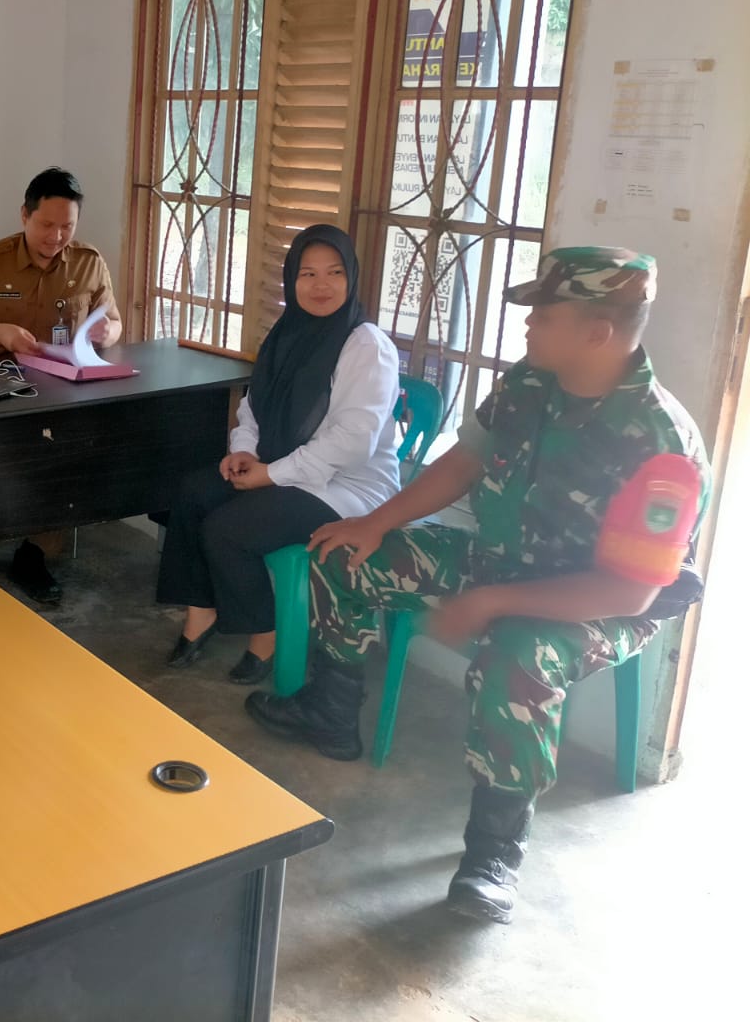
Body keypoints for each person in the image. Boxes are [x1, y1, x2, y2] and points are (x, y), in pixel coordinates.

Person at [245, 247, 708, 924]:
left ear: (597, 332)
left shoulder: (662, 444)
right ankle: (330, 714)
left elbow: (629, 596)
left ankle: (495, 853)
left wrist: (493, 601)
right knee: (341, 554)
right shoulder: (530, 382)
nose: (527, 325)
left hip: (592, 601)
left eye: (544, 315)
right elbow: (465, 461)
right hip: (499, 558)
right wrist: (374, 523)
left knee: (516, 660)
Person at [156, 224, 401, 683]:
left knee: (229, 529)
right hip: (283, 465)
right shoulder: (287, 333)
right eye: (308, 274)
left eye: (334, 273)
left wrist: (271, 474)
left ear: (351, 278)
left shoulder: (367, 345)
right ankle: (201, 612)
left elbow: (353, 442)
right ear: (292, 280)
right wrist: (245, 452)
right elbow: (255, 406)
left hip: (347, 487)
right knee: (193, 492)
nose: (321, 285)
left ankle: (264, 636)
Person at [0, 167, 123, 604]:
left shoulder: (89, 262)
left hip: (61, 390)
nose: (56, 236)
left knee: (64, 462)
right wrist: (2, 333)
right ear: (25, 215)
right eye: (46, 224)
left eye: (67, 226)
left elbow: (114, 321)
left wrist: (108, 333)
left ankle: (35, 552)